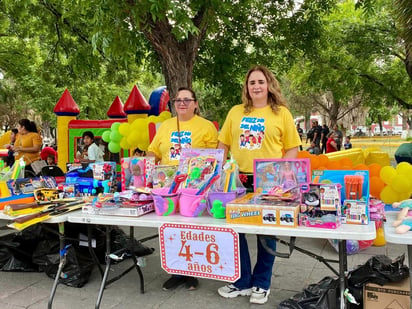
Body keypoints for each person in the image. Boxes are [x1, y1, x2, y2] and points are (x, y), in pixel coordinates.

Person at [217, 65, 301, 304]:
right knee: (236, 231)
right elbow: (223, 145)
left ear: (269, 85)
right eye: (252, 83)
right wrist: (218, 173)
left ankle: (262, 284)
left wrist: (282, 177)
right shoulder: (235, 112)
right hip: (237, 180)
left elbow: (293, 148)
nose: (256, 86)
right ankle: (242, 281)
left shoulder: (282, 113)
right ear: (247, 87)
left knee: (266, 232)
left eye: (260, 82)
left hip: (269, 182)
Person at [147, 87, 218, 291]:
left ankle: (193, 272)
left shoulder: (206, 126)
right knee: (170, 228)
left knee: (191, 228)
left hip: (194, 188)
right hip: (168, 187)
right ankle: (176, 271)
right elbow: (153, 151)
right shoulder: (166, 126)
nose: (182, 103)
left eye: (187, 100)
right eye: (178, 100)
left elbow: (213, 158)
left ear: (195, 104)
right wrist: (147, 166)